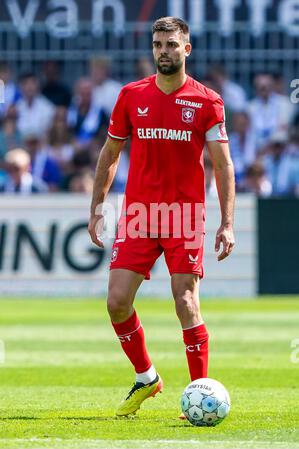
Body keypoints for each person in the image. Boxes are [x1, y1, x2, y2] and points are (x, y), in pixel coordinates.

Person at [88, 17, 235, 418]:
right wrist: (97, 206)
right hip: (138, 212)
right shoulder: (130, 95)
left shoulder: (207, 101)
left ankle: (197, 393)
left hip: (185, 213)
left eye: (171, 44)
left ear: (186, 49)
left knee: (186, 301)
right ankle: (146, 376)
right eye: (157, 44)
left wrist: (226, 222)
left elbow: (223, 165)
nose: (163, 51)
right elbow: (110, 153)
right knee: (116, 302)